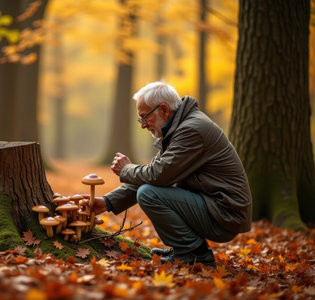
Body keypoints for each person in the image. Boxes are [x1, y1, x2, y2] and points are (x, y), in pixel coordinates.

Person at [89, 81, 252, 267]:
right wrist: (108, 202)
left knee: (148, 193)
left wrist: (126, 169)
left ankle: (194, 253)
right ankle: (185, 249)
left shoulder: (191, 130)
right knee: (149, 189)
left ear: (164, 110)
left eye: (144, 118)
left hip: (224, 214)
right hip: (216, 208)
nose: (143, 125)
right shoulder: (180, 127)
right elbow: (155, 173)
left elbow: (158, 175)